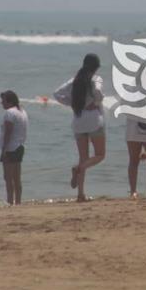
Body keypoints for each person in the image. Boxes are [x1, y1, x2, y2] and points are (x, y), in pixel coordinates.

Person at [53, 53, 106, 202]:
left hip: (78, 120)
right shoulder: (96, 79)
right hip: (94, 120)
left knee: (84, 157)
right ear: (95, 67)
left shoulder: (74, 80)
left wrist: (74, 103)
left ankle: (80, 194)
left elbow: (57, 94)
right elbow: (98, 92)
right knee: (100, 155)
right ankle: (79, 168)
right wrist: (96, 102)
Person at [0, 90, 28, 206]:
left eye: (3, 100)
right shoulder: (22, 111)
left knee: (8, 178)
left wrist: (4, 150)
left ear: (9, 101)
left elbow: (8, 132)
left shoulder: (9, 113)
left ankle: (10, 202)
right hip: (20, 146)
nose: (1, 103)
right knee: (17, 178)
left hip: (11, 148)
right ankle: (18, 202)